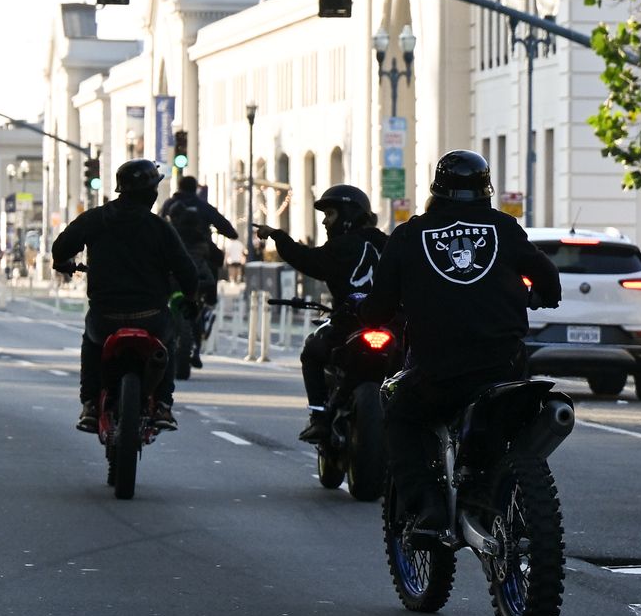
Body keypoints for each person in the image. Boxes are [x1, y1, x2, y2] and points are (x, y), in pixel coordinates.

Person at [359, 150, 561, 545]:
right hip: (504, 367)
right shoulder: (504, 227)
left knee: (401, 416)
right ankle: (502, 483)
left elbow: (379, 306)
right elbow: (548, 279)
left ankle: (429, 509)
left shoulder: (409, 235)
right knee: (514, 424)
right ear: (486, 190)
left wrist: (369, 316)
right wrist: (541, 296)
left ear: (436, 190)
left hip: (439, 371)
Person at [50, 159, 199, 433]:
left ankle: (91, 406)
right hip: (151, 317)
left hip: (105, 316)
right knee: (167, 343)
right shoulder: (160, 227)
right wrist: (191, 298)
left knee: (91, 345)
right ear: (151, 193)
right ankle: (164, 405)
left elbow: (60, 248)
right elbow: (187, 271)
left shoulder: (95, 218)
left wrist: (65, 263)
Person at [256, 185, 390, 442]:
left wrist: (277, 236)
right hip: (390, 323)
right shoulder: (386, 242)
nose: (325, 221)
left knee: (312, 351)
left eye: (330, 214)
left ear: (348, 215)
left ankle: (319, 417)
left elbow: (305, 259)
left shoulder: (342, 246)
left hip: (350, 323)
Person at [160, 176, 240, 367]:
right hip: (200, 262)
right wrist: (221, 232)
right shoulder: (202, 207)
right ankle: (204, 316)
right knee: (209, 290)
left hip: (171, 264)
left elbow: (156, 225)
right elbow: (228, 230)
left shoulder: (169, 204)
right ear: (195, 188)